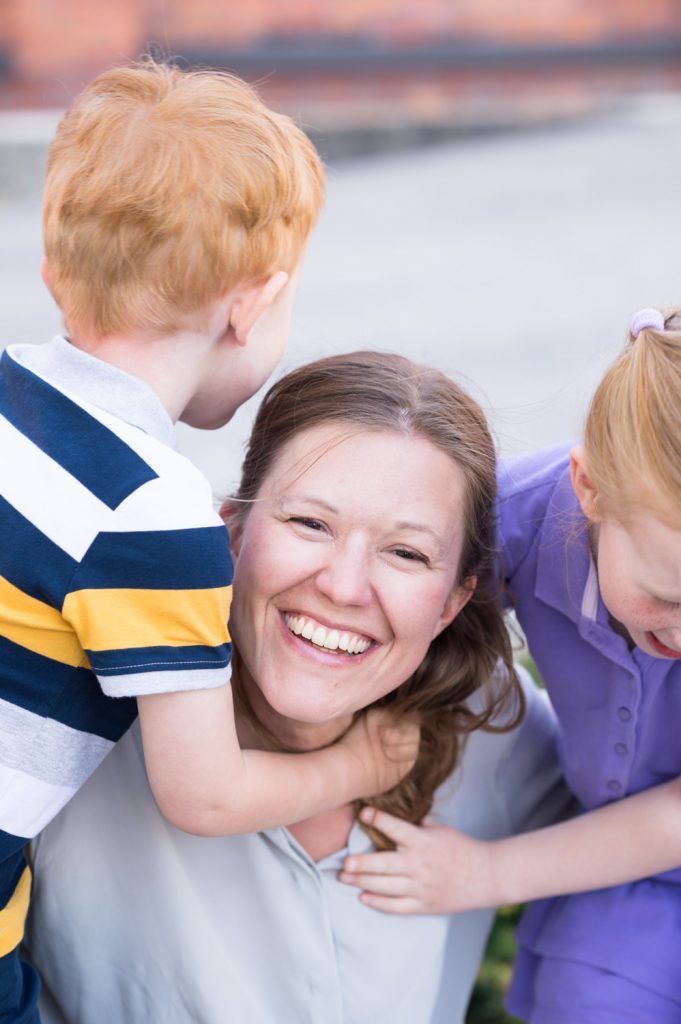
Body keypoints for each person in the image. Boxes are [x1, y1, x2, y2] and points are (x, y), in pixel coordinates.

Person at [0, 62, 414, 1023]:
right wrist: (359, 767)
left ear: (53, 269)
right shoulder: (154, 513)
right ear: (250, 305)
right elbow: (203, 791)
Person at [24, 353, 573, 1024]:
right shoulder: (72, 709)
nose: (343, 586)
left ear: (451, 604)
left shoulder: (489, 730)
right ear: (228, 533)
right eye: (310, 524)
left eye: (406, 553)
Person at [344, 309, 681, 1022]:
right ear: (587, 488)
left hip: (646, 836)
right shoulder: (518, 516)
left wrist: (487, 873)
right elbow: (401, 589)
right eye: (665, 596)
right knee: (586, 999)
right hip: (623, 874)